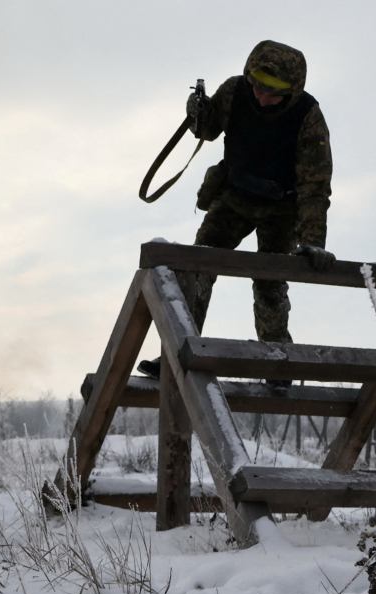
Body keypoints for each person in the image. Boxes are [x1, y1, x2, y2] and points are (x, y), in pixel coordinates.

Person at [138, 40, 334, 389]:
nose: (261, 97)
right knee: (197, 267)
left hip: (281, 208)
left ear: (292, 90)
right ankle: (177, 348)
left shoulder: (309, 117)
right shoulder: (235, 91)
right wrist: (197, 110)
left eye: (272, 92)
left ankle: (278, 362)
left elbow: (315, 187)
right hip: (234, 196)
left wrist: (313, 242)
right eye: (257, 86)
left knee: (270, 281)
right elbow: (207, 128)